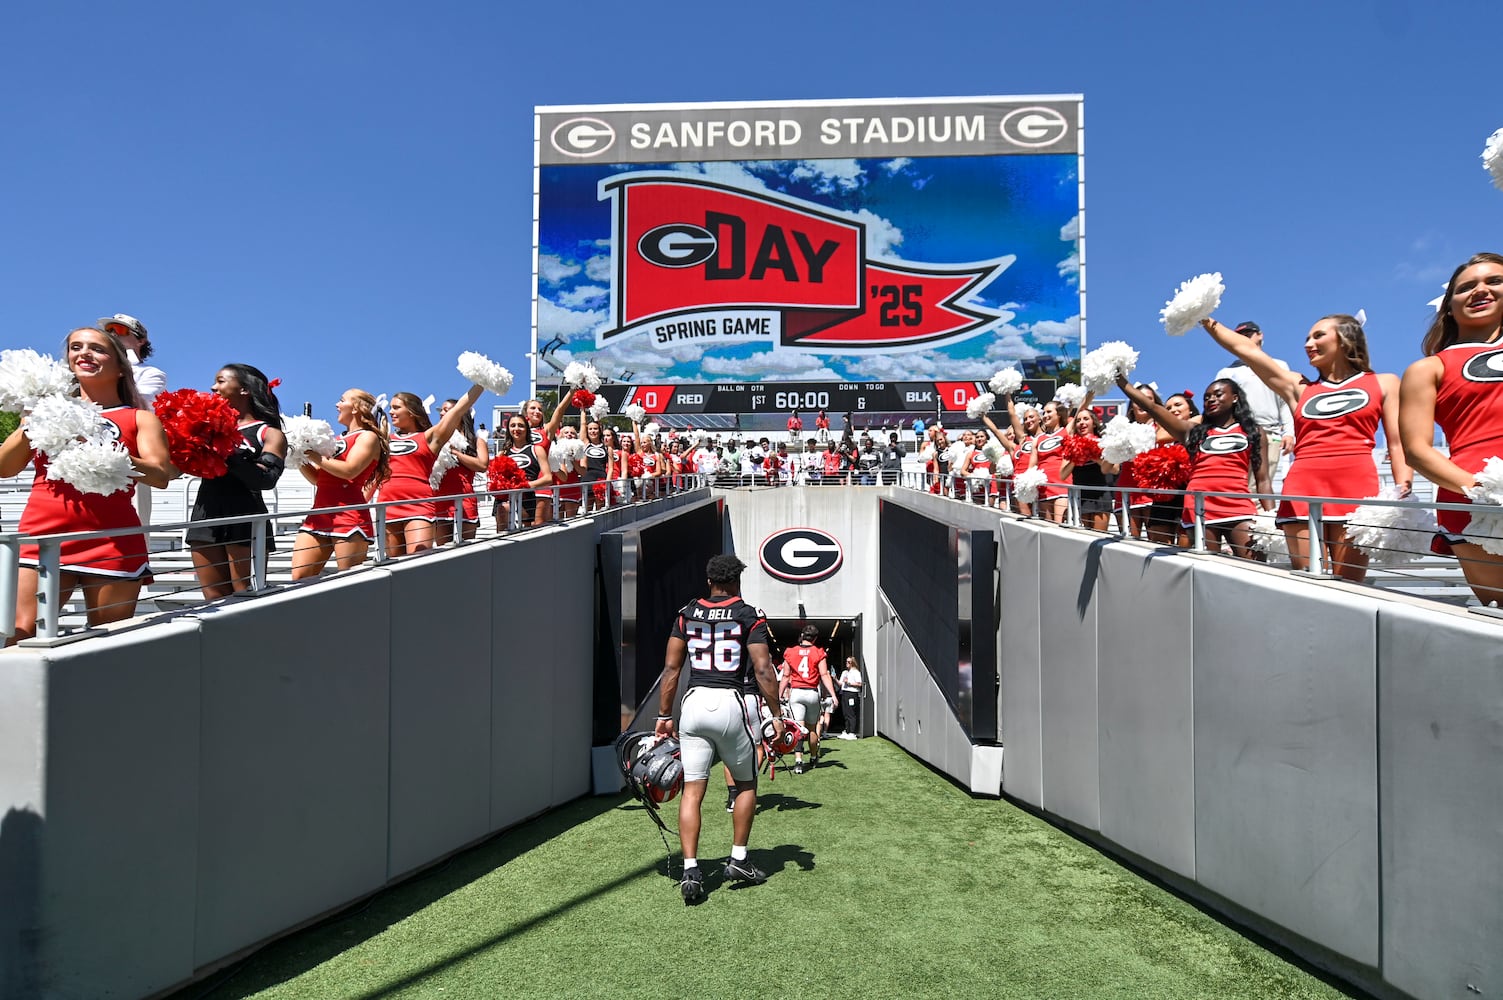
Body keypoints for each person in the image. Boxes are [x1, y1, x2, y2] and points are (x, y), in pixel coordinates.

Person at [1201, 315, 1410, 581]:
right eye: (1307, 339)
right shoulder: (1298, 387)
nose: (1308, 344)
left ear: (1346, 338)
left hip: (1357, 489)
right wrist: (1204, 319)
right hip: (1303, 488)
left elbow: (1397, 442)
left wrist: (1403, 489)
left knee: (1351, 585)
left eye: (1318, 336)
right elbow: (1247, 350)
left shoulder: (1385, 382)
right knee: (1309, 583)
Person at [2, 327, 174, 642]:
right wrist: (31, 423)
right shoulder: (46, 410)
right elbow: (5, 468)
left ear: (121, 367)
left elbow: (160, 475)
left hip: (111, 540)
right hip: (42, 536)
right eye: (76, 347)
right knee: (18, 634)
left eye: (97, 348)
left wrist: (106, 454)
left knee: (107, 643)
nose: (84, 353)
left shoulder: (140, 418)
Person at [655, 554, 784, 904]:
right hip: (730, 701)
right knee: (745, 784)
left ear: (709, 580)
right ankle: (738, 860)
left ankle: (691, 870)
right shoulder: (748, 614)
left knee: (692, 790)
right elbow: (763, 668)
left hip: (694, 702)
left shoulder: (686, 613)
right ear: (737, 581)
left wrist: (664, 715)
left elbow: (671, 670)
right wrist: (776, 714)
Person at [1400, 252, 1503, 605]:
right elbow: (1416, 450)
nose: (1480, 290)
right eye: (1466, 287)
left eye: (1494, 281)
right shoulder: (1429, 368)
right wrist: (1484, 493)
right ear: (1448, 307)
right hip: (1478, 501)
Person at [1118, 375, 1270, 558]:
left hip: (1238, 504)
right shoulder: (1193, 432)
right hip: (1199, 506)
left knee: (1255, 562)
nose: (1211, 399)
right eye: (1207, 397)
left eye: (1218, 394)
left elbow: (1263, 480)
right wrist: (1121, 381)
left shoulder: (1253, 431)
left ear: (1235, 397)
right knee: (1206, 568)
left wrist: (1270, 518)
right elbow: (1153, 408)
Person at [187, 364, 288, 598]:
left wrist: (228, 451)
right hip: (205, 514)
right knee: (214, 600)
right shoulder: (206, 428)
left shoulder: (268, 433)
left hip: (245, 516)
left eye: (221, 381)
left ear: (244, 389)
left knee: (246, 597)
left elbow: (266, 479)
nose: (213, 387)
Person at [293, 389, 389, 580]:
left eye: (342, 400)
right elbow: (317, 479)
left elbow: (349, 470)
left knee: (349, 582)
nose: (337, 405)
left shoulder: (367, 437)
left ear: (356, 408)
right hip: (319, 513)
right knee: (299, 577)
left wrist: (313, 455)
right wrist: (298, 454)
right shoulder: (335, 440)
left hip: (349, 515)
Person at [379, 385, 484, 556]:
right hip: (387, 504)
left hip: (418, 505)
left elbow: (458, 410)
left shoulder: (429, 437)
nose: (391, 412)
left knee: (418, 561)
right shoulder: (384, 439)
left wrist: (481, 383)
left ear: (412, 412)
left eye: (396, 407)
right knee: (393, 565)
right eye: (390, 407)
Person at [99, 314, 167, 525]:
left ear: (141, 341)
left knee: (132, 519)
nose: (112, 335)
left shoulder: (150, 374)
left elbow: (136, 402)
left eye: (120, 330)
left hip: (131, 451)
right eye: (108, 330)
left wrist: (122, 367)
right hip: (91, 450)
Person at [1215, 321, 1294, 481]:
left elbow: (1285, 401)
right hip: (1238, 435)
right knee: (1236, 484)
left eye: (1248, 334)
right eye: (1239, 336)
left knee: (1263, 486)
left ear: (1260, 335)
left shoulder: (1279, 365)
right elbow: (1218, 409)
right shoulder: (1226, 372)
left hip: (1271, 433)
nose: (1244, 338)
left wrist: (1289, 433)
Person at [778, 625, 837, 773]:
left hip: (797, 693)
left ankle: (798, 761)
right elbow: (824, 675)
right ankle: (813, 756)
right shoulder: (818, 652)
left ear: (802, 636)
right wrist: (833, 695)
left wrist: (779, 695)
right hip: (812, 693)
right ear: (815, 638)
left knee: (798, 728)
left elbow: (785, 676)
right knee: (812, 729)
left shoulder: (791, 651)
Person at [434, 396, 489, 544]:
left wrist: (456, 453)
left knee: (466, 550)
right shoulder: (435, 438)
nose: (441, 413)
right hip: (440, 501)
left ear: (459, 413)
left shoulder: (476, 441)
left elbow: (482, 465)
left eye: (446, 410)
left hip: (465, 501)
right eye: (441, 410)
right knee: (441, 552)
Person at [494, 413, 552, 532]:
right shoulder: (502, 453)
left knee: (527, 535)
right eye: (513, 425)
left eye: (520, 425)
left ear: (527, 429)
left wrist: (524, 485)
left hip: (527, 498)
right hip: (504, 499)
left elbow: (548, 478)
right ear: (508, 429)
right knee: (503, 535)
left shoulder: (537, 449)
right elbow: (495, 478)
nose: (516, 429)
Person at [836, 655, 864, 739]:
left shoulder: (856, 672)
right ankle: (847, 730)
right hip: (844, 692)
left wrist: (849, 683)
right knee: (845, 713)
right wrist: (835, 679)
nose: (847, 663)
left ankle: (852, 732)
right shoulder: (845, 672)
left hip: (852, 693)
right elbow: (840, 684)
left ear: (852, 663)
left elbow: (859, 684)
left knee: (851, 712)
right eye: (846, 662)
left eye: (849, 662)